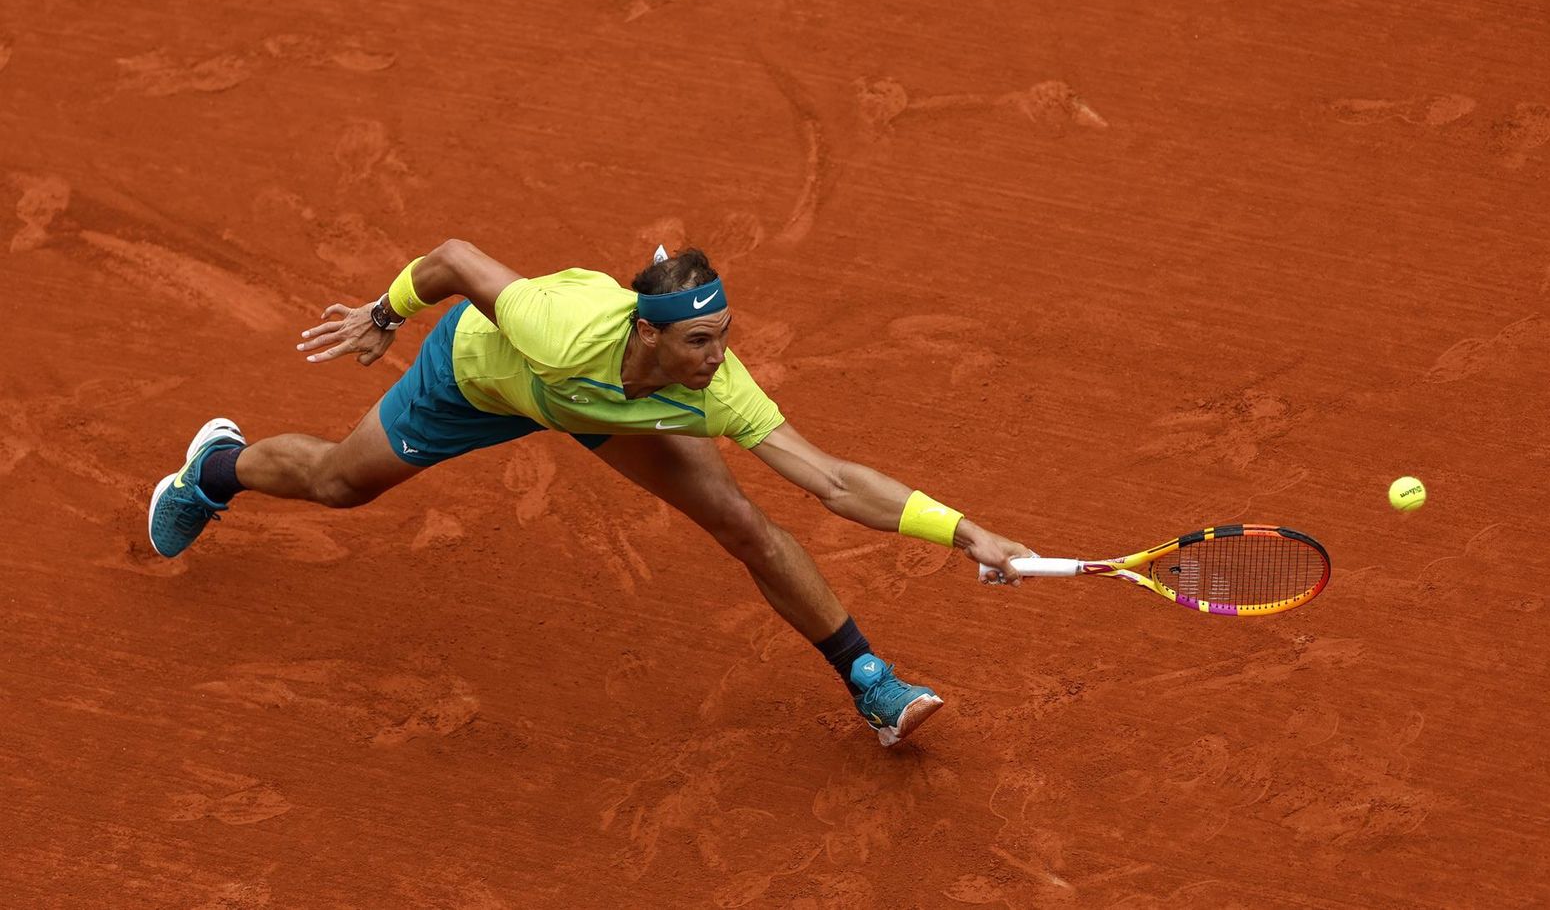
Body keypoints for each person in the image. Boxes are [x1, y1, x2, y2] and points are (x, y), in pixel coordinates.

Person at [147, 240, 1033, 746]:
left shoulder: (710, 386)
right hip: (483, 379)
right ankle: (213, 470)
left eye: (725, 338)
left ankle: (868, 679)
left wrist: (967, 533)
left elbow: (833, 480)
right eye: (700, 344)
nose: (719, 358)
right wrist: (383, 315)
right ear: (647, 334)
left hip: (610, 411)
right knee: (340, 482)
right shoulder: (556, 323)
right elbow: (454, 258)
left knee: (744, 523)